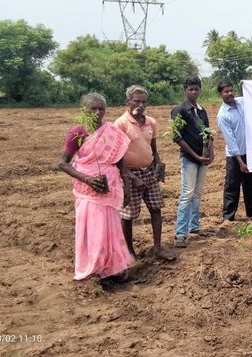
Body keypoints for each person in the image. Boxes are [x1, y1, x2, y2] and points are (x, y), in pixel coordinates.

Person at [58, 92, 132, 281]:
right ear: (84, 110)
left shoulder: (112, 132)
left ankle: (112, 269)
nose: (98, 112)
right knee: (94, 229)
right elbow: (63, 163)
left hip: (110, 188)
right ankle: (94, 268)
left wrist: (127, 187)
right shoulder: (78, 132)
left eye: (101, 109)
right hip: (88, 190)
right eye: (94, 108)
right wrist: (87, 179)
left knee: (111, 228)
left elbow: (121, 163)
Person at [114, 85, 175, 261]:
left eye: (143, 101)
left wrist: (159, 164)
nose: (140, 105)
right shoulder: (121, 124)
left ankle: (157, 248)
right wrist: (130, 177)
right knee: (128, 216)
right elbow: (117, 156)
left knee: (156, 209)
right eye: (136, 101)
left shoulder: (151, 122)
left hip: (148, 172)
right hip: (128, 175)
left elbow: (153, 148)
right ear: (128, 102)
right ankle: (130, 252)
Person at [171, 75, 214, 248]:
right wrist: (196, 156)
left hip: (201, 159)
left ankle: (194, 227)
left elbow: (208, 134)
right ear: (185, 91)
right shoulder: (179, 110)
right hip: (189, 158)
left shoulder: (202, 111)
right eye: (190, 89)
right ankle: (180, 234)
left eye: (196, 89)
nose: (194, 91)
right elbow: (177, 137)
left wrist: (211, 153)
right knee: (187, 194)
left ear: (199, 90)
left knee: (197, 193)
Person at [216, 80, 252, 222]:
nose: (229, 94)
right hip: (235, 156)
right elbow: (231, 141)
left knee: (249, 184)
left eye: (231, 90)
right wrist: (240, 162)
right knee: (232, 186)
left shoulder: (241, 102)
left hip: (249, 151)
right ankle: (228, 216)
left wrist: (244, 86)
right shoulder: (223, 115)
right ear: (220, 94)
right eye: (226, 92)